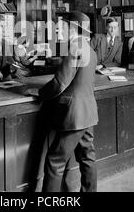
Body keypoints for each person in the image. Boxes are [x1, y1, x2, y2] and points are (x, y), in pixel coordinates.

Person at [32, 11, 98, 192]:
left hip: (74, 115)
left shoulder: (74, 48)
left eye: (64, 26)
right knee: (87, 158)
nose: (61, 29)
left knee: (55, 161)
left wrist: (40, 93)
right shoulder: (89, 49)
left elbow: (60, 83)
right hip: (88, 113)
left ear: (72, 28)